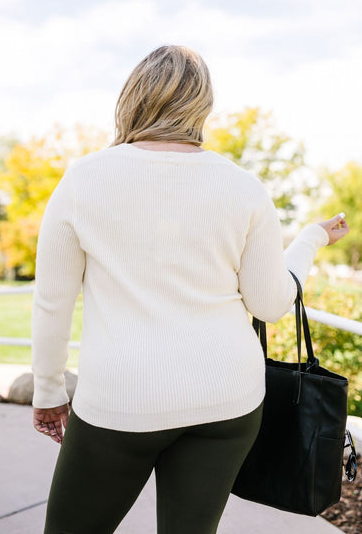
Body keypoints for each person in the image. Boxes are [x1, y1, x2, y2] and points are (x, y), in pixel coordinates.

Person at [31, 45, 349, 534]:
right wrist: (310, 239)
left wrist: (49, 391)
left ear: (132, 97)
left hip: (121, 400)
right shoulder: (243, 186)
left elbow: (52, 302)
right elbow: (270, 303)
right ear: (202, 105)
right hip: (227, 400)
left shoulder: (83, 180)